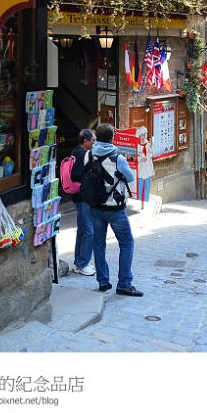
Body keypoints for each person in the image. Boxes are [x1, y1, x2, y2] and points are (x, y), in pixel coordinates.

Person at [87, 123, 142, 296]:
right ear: (112, 138)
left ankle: (103, 281)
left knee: (98, 244)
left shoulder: (89, 155)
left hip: (95, 206)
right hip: (115, 208)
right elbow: (130, 177)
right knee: (127, 243)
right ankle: (124, 283)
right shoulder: (117, 158)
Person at [68, 128, 96, 277]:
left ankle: (79, 262)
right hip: (83, 196)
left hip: (80, 197)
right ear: (85, 141)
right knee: (88, 230)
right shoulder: (81, 154)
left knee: (83, 230)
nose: (94, 143)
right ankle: (83, 264)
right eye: (93, 140)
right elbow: (77, 175)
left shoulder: (76, 151)